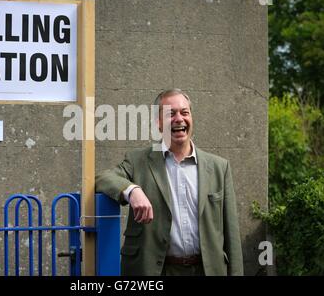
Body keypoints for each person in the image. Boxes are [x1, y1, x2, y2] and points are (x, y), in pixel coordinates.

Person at [95, 89, 243, 276]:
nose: (179, 119)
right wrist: (132, 190)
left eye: (184, 112)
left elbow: (231, 235)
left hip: (207, 270)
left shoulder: (219, 167)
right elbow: (103, 178)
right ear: (158, 123)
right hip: (157, 271)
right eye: (170, 114)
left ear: (191, 119)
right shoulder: (138, 160)